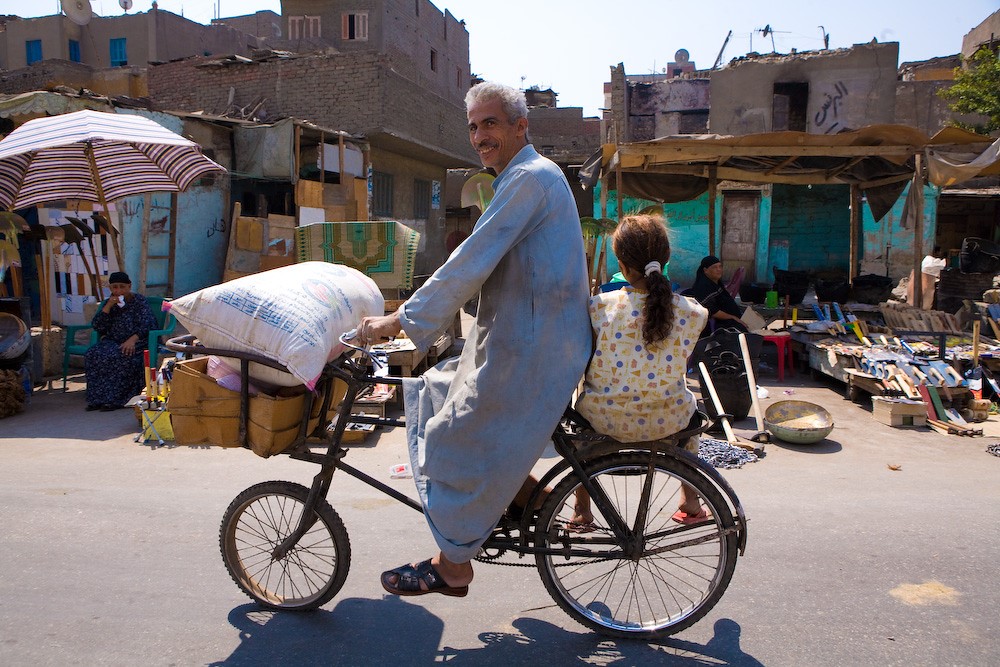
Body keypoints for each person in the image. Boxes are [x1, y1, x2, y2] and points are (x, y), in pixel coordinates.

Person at [357, 81, 591, 597]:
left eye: (490, 124)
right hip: (524, 338)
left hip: (536, 345)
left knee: (450, 434)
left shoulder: (530, 178)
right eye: (473, 127)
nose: (480, 136)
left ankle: (453, 566)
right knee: (441, 389)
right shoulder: (523, 178)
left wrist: (398, 321)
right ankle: (529, 503)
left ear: (520, 126)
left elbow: (469, 262)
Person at [574, 214, 711, 524]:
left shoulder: (598, 307)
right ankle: (689, 500)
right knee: (692, 410)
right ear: (665, 259)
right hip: (669, 422)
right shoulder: (693, 313)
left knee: (577, 425)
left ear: (622, 266)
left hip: (604, 422)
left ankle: (582, 510)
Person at [84, 272, 157, 411]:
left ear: (129, 286)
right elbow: (98, 326)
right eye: (114, 287)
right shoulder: (109, 303)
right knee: (93, 354)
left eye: (122, 287)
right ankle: (97, 399)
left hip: (137, 341)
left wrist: (132, 340)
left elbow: (147, 324)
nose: (118, 291)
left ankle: (115, 399)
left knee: (120, 357)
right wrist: (108, 307)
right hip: (113, 341)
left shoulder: (139, 301)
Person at [690, 255, 749, 334]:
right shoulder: (704, 287)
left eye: (720, 266)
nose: (719, 270)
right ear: (705, 270)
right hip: (719, 324)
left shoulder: (716, 284)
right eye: (714, 267)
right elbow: (711, 311)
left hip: (729, 319)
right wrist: (732, 317)